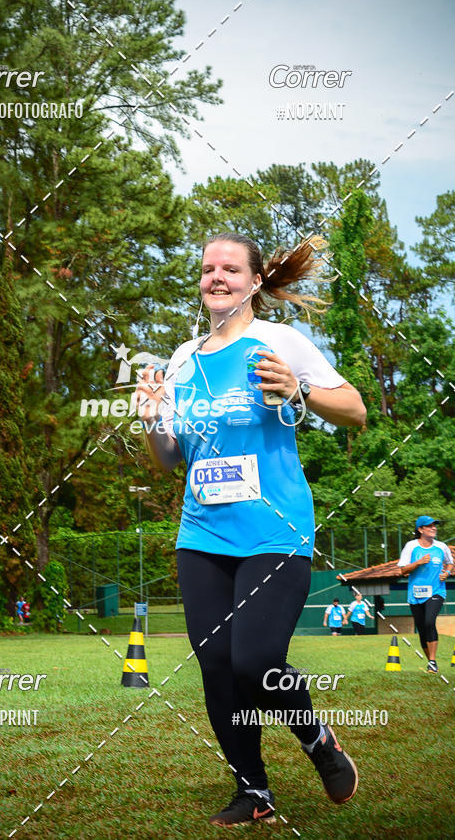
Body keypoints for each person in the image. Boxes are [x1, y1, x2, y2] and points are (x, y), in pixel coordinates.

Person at [134, 232, 366, 826]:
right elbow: (168, 461)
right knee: (216, 665)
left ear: (255, 281)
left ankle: (318, 742)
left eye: (231, 269)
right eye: (208, 267)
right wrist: (151, 421)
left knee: (254, 660)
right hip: (202, 534)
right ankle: (253, 792)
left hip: (274, 530)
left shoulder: (280, 341)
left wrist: (302, 389)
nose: (217, 277)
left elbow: (356, 411)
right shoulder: (182, 360)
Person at [398, 516, 453, 673]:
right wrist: (418, 563)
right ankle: (431, 663)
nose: (433, 528)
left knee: (429, 622)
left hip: (436, 591)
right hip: (415, 594)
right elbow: (402, 570)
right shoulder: (411, 546)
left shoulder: (441, 547)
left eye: (434, 525)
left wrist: (447, 572)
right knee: (422, 627)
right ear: (420, 530)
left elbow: (450, 563)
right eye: (429, 526)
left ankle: (433, 660)